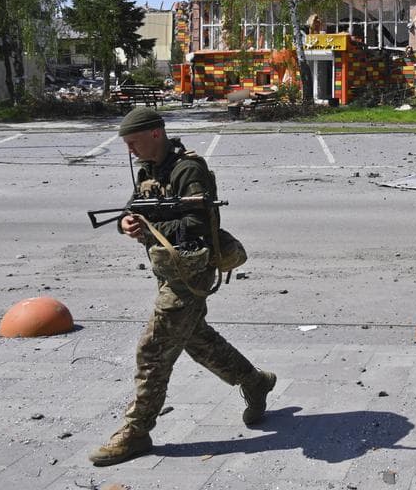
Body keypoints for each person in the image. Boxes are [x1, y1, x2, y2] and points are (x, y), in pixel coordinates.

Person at [89, 107, 276, 467]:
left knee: (153, 350)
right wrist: (128, 224)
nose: (130, 150)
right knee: (195, 339)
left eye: (134, 142)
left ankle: (137, 432)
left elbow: (199, 224)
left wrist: (150, 226)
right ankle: (254, 382)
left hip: (192, 271)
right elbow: (135, 209)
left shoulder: (188, 170)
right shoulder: (148, 169)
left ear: (156, 134)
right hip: (168, 270)